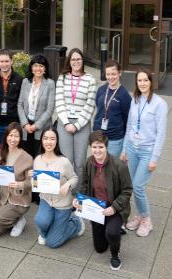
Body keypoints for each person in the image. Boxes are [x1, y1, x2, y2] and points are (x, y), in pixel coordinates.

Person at [74, 131, 132, 270]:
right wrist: (79, 199)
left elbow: (127, 190)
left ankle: (115, 254)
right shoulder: (89, 162)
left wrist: (114, 208)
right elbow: (85, 183)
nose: (97, 150)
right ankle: (115, 229)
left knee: (111, 233)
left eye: (100, 147)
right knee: (99, 248)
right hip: (97, 208)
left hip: (114, 208)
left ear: (106, 147)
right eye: (94, 147)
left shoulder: (119, 166)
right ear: (90, 147)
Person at [121, 69, 167, 237]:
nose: (142, 83)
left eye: (145, 80)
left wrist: (154, 158)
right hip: (133, 148)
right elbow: (130, 126)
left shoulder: (159, 104)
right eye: (139, 80)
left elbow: (161, 133)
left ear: (151, 82)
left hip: (147, 150)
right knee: (133, 185)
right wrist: (125, 149)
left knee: (138, 186)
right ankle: (139, 215)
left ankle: (147, 220)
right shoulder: (135, 99)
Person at [33, 126, 84, 248]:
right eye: (45, 138)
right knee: (41, 221)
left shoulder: (64, 161)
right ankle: (48, 231)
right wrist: (32, 179)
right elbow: (36, 184)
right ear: (41, 140)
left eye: (52, 139)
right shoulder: (37, 160)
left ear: (57, 141)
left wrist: (68, 185)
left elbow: (74, 178)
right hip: (46, 200)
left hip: (62, 204)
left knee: (52, 243)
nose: (48, 142)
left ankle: (76, 223)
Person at [55, 48, 96, 186]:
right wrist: (67, 123)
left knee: (79, 163)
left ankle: (78, 194)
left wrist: (76, 125)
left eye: (78, 59)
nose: (76, 62)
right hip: (64, 123)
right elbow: (59, 101)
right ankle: (66, 192)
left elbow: (90, 105)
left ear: (82, 61)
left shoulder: (90, 79)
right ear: (69, 61)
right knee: (67, 161)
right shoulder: (63, 78)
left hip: (82, 125)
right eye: (73, 59)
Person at [0, 122, 33, 237]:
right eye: (10, 135)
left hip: (19, 201)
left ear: (20, 138)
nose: (13, 139)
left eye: (16, 136)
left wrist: (20, 184)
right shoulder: (1, 152)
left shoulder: (27, 158)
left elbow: (31, 183)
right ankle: (14, 219)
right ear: (6, 136)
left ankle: (19, 220)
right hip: (4, 198)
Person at [17, 54, 55, 158]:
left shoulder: (50, 84)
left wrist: (36, 126)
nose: (38, 68)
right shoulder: (25, 82)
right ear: (31, 68)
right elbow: (20, 104)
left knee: (40, 157)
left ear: (45, 69)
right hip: (26, 126)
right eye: (36, 65)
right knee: (27, 157)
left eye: (41, 66)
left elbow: (50, 109)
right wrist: (25, 124)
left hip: (42, 127)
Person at [93, 60, 131, 157]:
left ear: (120, 73)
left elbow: (128, 119)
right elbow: (99, 108)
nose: (110, 77)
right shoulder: (101, 90)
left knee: (111, 168)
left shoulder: (124, 95)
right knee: (98, 166)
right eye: (108, 74)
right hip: (98, 136)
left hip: (114, 139)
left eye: (113, 74)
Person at [0, 49, 23, 148]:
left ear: (11, 61)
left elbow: (21, 101)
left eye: (7, 61)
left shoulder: (19, 79)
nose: (4, 64)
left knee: (13, 148)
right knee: (0, 149)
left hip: (14, 122)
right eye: (2, 61)